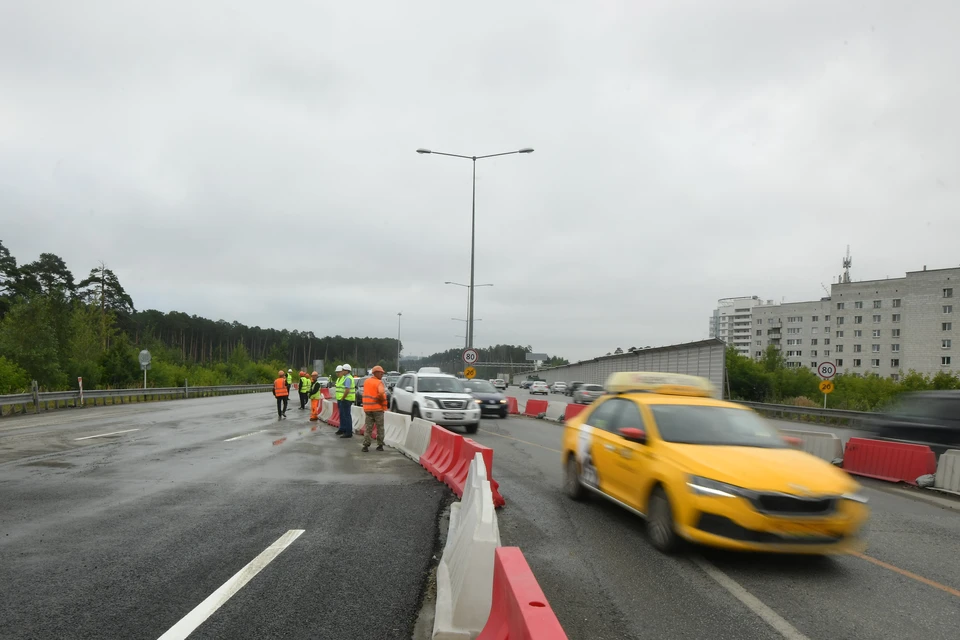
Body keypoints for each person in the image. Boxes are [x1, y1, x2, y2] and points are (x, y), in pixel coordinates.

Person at [361, 365, 388, 452]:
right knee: (380, 427)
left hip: (368, 409)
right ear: (375, 373)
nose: (382, 374)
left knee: (368, 428)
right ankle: (380, 445)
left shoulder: (366, 381)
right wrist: (381, 401)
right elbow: (381, 393)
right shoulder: (379, 383)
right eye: (381, 373)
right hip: (377, 409)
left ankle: (365, 446)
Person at [335, 364, 355, 438]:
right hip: (344, 399)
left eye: (343, 370)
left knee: (347, 416)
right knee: (343, 415)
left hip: (346, 399)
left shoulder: (347, 378)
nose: (342, 371)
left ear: (347, 371)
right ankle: (343, 429)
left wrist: (343, 398)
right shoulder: (346, 378)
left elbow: (347, 390)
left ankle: (348, 432)